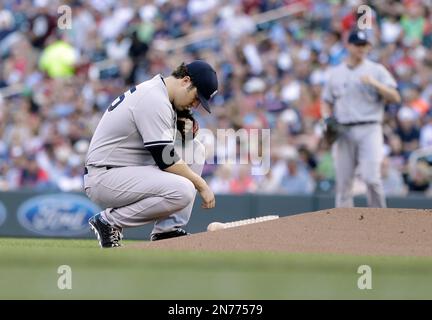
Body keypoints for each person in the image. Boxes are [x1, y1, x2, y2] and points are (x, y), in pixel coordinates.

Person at [84, 60, 218, 247]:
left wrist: (184, 131)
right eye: (197, 98)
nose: (195, 105)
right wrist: (201, 184)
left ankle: (168, 231)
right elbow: (166, 159)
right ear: (186, 81)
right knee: (184, 189)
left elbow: (171, 145)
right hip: (105, 176)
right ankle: (108, 222)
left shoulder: (161, 94)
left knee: (195, 149)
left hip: (127, 170)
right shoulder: (154, 98)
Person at [321, 29, 401, 208]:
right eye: (358, 45)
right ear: (348, 46)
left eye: (365, 45)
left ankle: (379, 221)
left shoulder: (376, 70)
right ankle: (344, 227)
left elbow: (395, 96)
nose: (362, 49)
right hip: (343, 130)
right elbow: (326, 101)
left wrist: (375, 83)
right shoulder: (336, 73)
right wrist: (326, 118)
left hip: (370, 127)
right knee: (343, 183)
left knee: (371, 178)